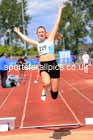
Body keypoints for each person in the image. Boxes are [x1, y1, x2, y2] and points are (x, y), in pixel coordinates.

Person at [14, 4, 65, 101]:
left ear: (45, 33)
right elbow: (26, 39)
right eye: (39, 32)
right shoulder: (37, 43)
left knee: (54, 95)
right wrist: (18, 32)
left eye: (42, 31)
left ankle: (51, 90)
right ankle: (44, 89)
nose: (41, 33)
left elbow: (57, 23)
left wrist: (60, 10)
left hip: (53, 64)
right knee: (46, 83)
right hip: (44, 65)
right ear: (37, 34)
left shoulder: (50, 39)